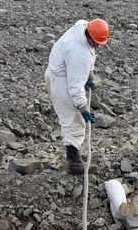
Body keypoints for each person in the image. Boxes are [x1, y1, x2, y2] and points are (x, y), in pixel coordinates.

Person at [45, 18, 109, 175]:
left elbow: (90, 53)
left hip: (57, 71)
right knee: (73, 119)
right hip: (60, 80)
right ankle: (74, 162)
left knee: (74, 118)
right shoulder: (79, 53)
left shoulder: (82, 27)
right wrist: (83, 109)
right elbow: (74, 89)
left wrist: (90, 75)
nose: (97, 46)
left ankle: (75, 155)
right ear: (89, 36)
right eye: (96, 43)